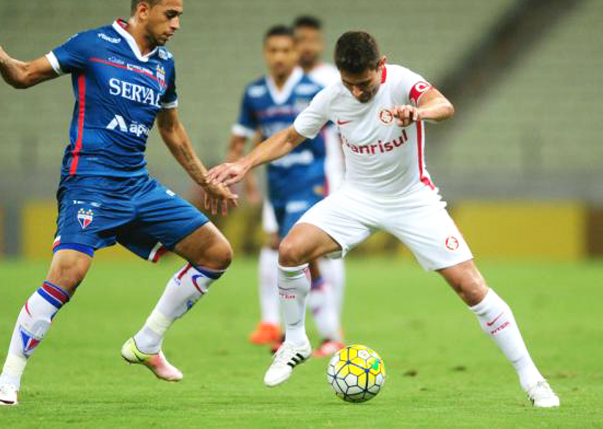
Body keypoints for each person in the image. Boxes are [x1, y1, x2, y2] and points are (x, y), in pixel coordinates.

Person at [207, 31, 559, 407]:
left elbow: (443, 105)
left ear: (381, 65)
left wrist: (418, 112)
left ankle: (533, 379)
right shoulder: (332, 96)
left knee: (471, 287)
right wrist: (244, 163)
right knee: (291, 250)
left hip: (412, 200)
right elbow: (291, 137)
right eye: (349, 84)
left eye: (365, 84)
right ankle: (295, 340)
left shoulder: (403, 81)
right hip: (355, 198)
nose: (357, 92)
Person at [0, 0, 237, 406]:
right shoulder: (92, 44)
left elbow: (173, 129)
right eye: (171, 14)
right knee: (68, 274)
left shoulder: (164, 64)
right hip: (89, 180)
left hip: (137, 184)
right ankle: (8, 379)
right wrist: (2, 58)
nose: (176, 24)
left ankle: (147, 343)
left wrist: (204, 179)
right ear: (143, 10)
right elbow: (25, 75)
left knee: (217, 254)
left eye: (180, 16)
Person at [225, 25, 343, 356]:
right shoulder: (255, 93)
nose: (279, 57)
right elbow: (241, 139)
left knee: (297, 254)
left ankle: (324, 334)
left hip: (309, 181)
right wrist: (237, 173)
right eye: (272, 50)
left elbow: (342, 132)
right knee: (292, 254)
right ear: (265, 53)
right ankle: (316, 333)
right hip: (276, 185)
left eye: (285, 50)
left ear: (296, 54)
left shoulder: (315, 90)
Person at [293, 15, 346, 328]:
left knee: (328, 248)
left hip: (327, 173)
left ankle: (332, 324)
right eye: (301, 40)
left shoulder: (332, 78)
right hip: (287, 178)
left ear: (321, 43)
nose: (307, 46)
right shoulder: (284, 78)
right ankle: (281, 323)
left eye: (312, 40)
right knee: (284, 247)